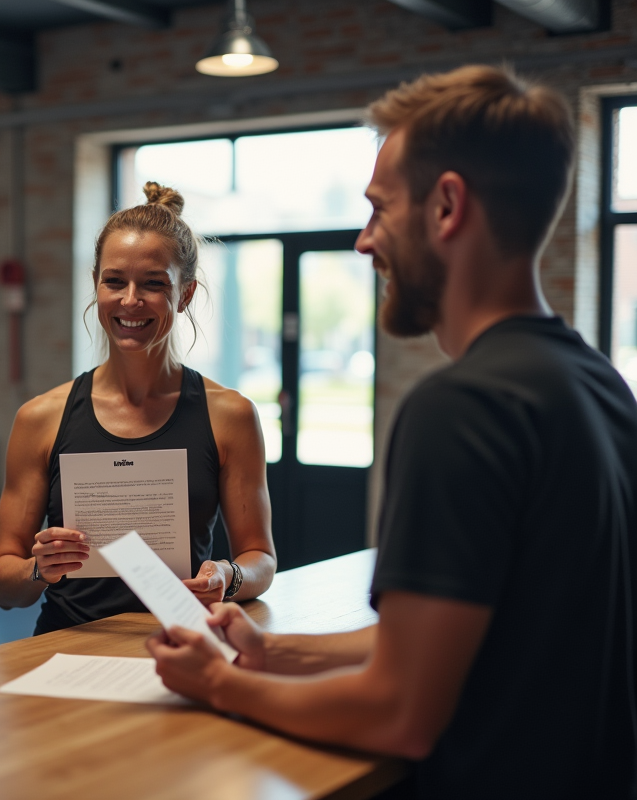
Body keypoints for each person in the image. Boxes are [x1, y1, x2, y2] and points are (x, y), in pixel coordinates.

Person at [147, 65, 637, 799]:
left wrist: (220, 684)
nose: (363, 240)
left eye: (380, 208)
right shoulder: (600, 386)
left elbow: (399, 711)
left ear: (446, 206)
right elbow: (448, 639)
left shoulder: (464, 408)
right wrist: (268, 651)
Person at [0, 182, 277, 634]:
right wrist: (40, 569)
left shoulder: (230, 416)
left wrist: (226, 575)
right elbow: (3, 587)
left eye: (154, 284)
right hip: (68, 646)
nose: (129, 300)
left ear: (184, 295)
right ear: (97, 287)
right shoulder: (40, 418)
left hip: (183, 640)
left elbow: (260, 558)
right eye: (114, 281)